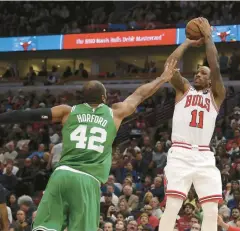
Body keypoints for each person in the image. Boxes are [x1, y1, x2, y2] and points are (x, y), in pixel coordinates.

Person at [0, 59, 178, 231]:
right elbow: (140, 94)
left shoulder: (67, 111)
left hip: (62, 175)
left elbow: (30, 115)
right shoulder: (114, 113)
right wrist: (162, 78)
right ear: (104, 97)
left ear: (82, 98)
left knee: (46, 226)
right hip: (87, 180)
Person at [159, 17, 226, 231]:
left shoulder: (216, 95)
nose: (198, 74)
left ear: (210, 80)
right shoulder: (184, 90)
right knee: (172, 205)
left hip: (204, 155)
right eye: (197, 71)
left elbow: (214, 66)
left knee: (211, 209)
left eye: (203, 73)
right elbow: (169, 66)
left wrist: (208, 39)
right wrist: (187, 42)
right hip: (180, 153)